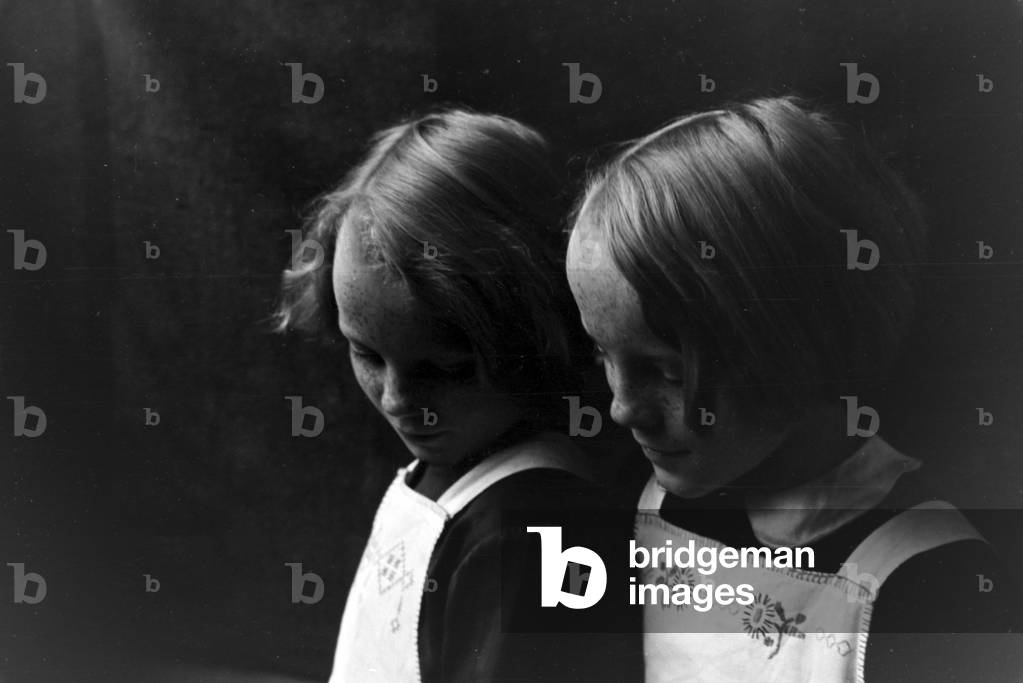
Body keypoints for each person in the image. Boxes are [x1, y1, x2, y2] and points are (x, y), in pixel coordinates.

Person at [565, 95, 1023, 682]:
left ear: (802, 347)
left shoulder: (931, 585)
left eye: (670, 372)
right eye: (605, 353)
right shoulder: (656, 500)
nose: (623, 409)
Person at [274, 109, 640, 682]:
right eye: (367, 354)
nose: (396, 399)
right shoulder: (449, 474)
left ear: (533, 337)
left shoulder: (541, 529)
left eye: (445, 368)